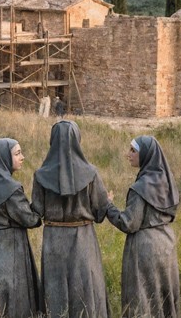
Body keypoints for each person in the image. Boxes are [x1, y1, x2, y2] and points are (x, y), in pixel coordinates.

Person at [32, 120, 111, 317]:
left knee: (55, 289)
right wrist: (107, 201)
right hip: (83, 238)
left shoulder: (41, 175)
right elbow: (100, 213)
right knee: (84, 288)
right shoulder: (91, 173)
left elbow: (36, 211)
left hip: (53, 240)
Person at [106, 136, 180, 318]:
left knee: (143, 300)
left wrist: (109, 206)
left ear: (146, 154)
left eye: (133, 150)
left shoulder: (140, 188)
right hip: (167, 244)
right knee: (163, 297)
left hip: (146, 248)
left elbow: (129, 223)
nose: (128, 154)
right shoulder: (167, 183)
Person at [0, 138, 42, 318]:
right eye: (17, 153)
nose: (22, 157)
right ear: (4, 157)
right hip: (11, 243)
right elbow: (30, 219)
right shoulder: (11, 190)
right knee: (13, 290)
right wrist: (40, 207)